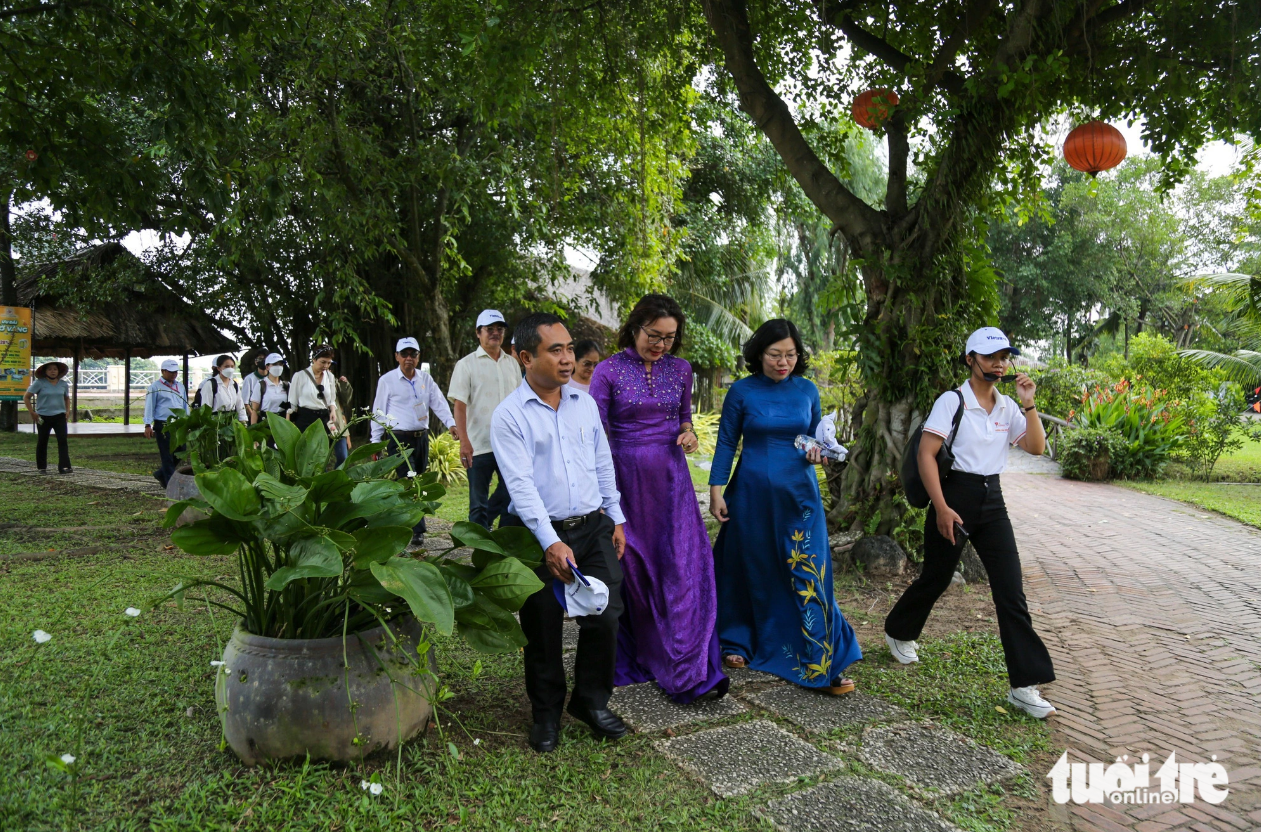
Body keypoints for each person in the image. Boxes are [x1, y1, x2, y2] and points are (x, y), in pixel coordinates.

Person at [884, 327, 1056, 719]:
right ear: (970, 360)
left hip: (992, 502)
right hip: (953, 496)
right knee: (936, 577)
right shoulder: (953, 401)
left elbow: (1035, 447)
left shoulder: (1008, 407)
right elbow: (926, 455)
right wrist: (942, 508)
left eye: (1004, 357)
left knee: (1011, 592)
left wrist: (1029, 404)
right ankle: (899, 630)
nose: (999, 364)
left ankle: (1024, 686)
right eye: (990, 357)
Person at [490, 313, 628, 754]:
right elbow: (520, 486)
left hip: (592, 526)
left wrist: (616, 516)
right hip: (534, 535)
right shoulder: (509, 416)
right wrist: (550, 541)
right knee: (542, 624)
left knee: (605, 614)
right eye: (556, 350)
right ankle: (546, 713)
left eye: (569, 348)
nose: (568, 358)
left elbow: (602, 461)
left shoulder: (583, 404)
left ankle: (590, 701)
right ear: (526, 357)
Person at [709, 319, 862, 695]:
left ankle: (820, 658)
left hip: (799, 496)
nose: (783, 362)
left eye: (791, 355)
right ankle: (737, 640)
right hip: (750, 495)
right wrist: (716, 491)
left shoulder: (807, 390)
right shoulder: (742, 391)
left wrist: (819, 453)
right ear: (759, 353)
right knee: (751, 566)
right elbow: (727, 442)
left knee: (808, 569)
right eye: (775, 355)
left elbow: (817, 439)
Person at [589, 295, 727, 703]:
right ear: (635, 327)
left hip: (672, 483)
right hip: (626, 481)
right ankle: (645, 652)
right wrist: (602, 494)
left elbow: (683, 418)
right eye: (654, 335)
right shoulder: (607, 371)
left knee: (680, 565)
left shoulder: (681, 369)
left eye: (669, 338)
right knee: (635, 566)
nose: (661, 345)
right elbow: (594, 432)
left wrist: (689, 434)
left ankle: (687, 663)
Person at [370, 337, 458, 546]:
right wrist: (375, 441)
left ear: (418, 357)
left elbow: (438, 402)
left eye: (413, 354)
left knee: (419, 480)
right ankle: (416, 529)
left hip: (421, 438)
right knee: (409, 482)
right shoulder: (387, 380)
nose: (409, 358)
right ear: (397, 356)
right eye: (404, 354)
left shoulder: (425, 379)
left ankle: (409, 522)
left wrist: (451, 424)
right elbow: (378, 411)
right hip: (399, 439)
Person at [448, 309, 520, 529]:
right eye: (490, 329)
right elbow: (460, 406)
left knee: (512, 493)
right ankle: (478, 542)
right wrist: (464, 441)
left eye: (500, 329)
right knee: (478, 500)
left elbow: (519, 402)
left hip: (509, 443)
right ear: (478, 333)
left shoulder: (512, 364)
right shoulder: (466, 364)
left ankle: (499, 535)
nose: (495, 333)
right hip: (479, 443)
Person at [144, 359, 189, 486]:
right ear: (163, 371)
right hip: (163, 423)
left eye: (175, 372)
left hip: (178, 423)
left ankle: (161, 473)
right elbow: (150, 406)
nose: (174, 374)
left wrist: (187, 420)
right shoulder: (155, 387)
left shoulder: (180, 386)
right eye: (171, 372)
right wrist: (148, 424)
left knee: (181, 449)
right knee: (167, 454)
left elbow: (184, 404)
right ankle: (170, 483)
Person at [23, 361, 72, 474]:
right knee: (42, 441)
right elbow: (26, 397)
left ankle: (64, 466)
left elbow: (66, 398)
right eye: (49, 369)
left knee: (62, 440)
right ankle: (42, 467)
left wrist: (67, 411)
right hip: (43, 417)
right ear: (45, 371)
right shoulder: (39, 383)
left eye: (55, 369)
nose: (52, 371)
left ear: (58, 371)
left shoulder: (63, 384)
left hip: (59, 416)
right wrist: (32, 412)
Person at [289, 344, 337, 435]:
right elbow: (292, 402)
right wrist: (290, 424)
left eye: (329, 363)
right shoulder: (299, 376)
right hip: (305, 418)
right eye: (323, 362)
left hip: (324, 418)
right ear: (314, 359)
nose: (326, 366)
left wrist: (333, 411)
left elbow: (332, 399)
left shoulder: (330, 376)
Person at [195, 355, 247, 422]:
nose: (230, 369)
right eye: (226, 366)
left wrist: (243, 420)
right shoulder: (210, 384)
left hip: (232, 421)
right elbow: (206, 407)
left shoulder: (234, 385)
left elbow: (240, 405)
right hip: (216, 422)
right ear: (219, 368)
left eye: (232, 366)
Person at [247, 353, 289, 424]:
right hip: (266, 423)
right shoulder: (261, 385)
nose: (278, 367)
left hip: (282, 423)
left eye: (280, 364)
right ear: (267, 367)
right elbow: (255, 410)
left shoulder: (287, 385)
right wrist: (253, 428)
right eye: (275, 364)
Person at [240, 353, 267, 421]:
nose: (263, 361)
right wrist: (254, 417)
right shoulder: (249, 379)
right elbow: (245, 402)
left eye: (265, 359)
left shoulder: (272, 379)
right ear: (256, 362)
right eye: (260, 359)